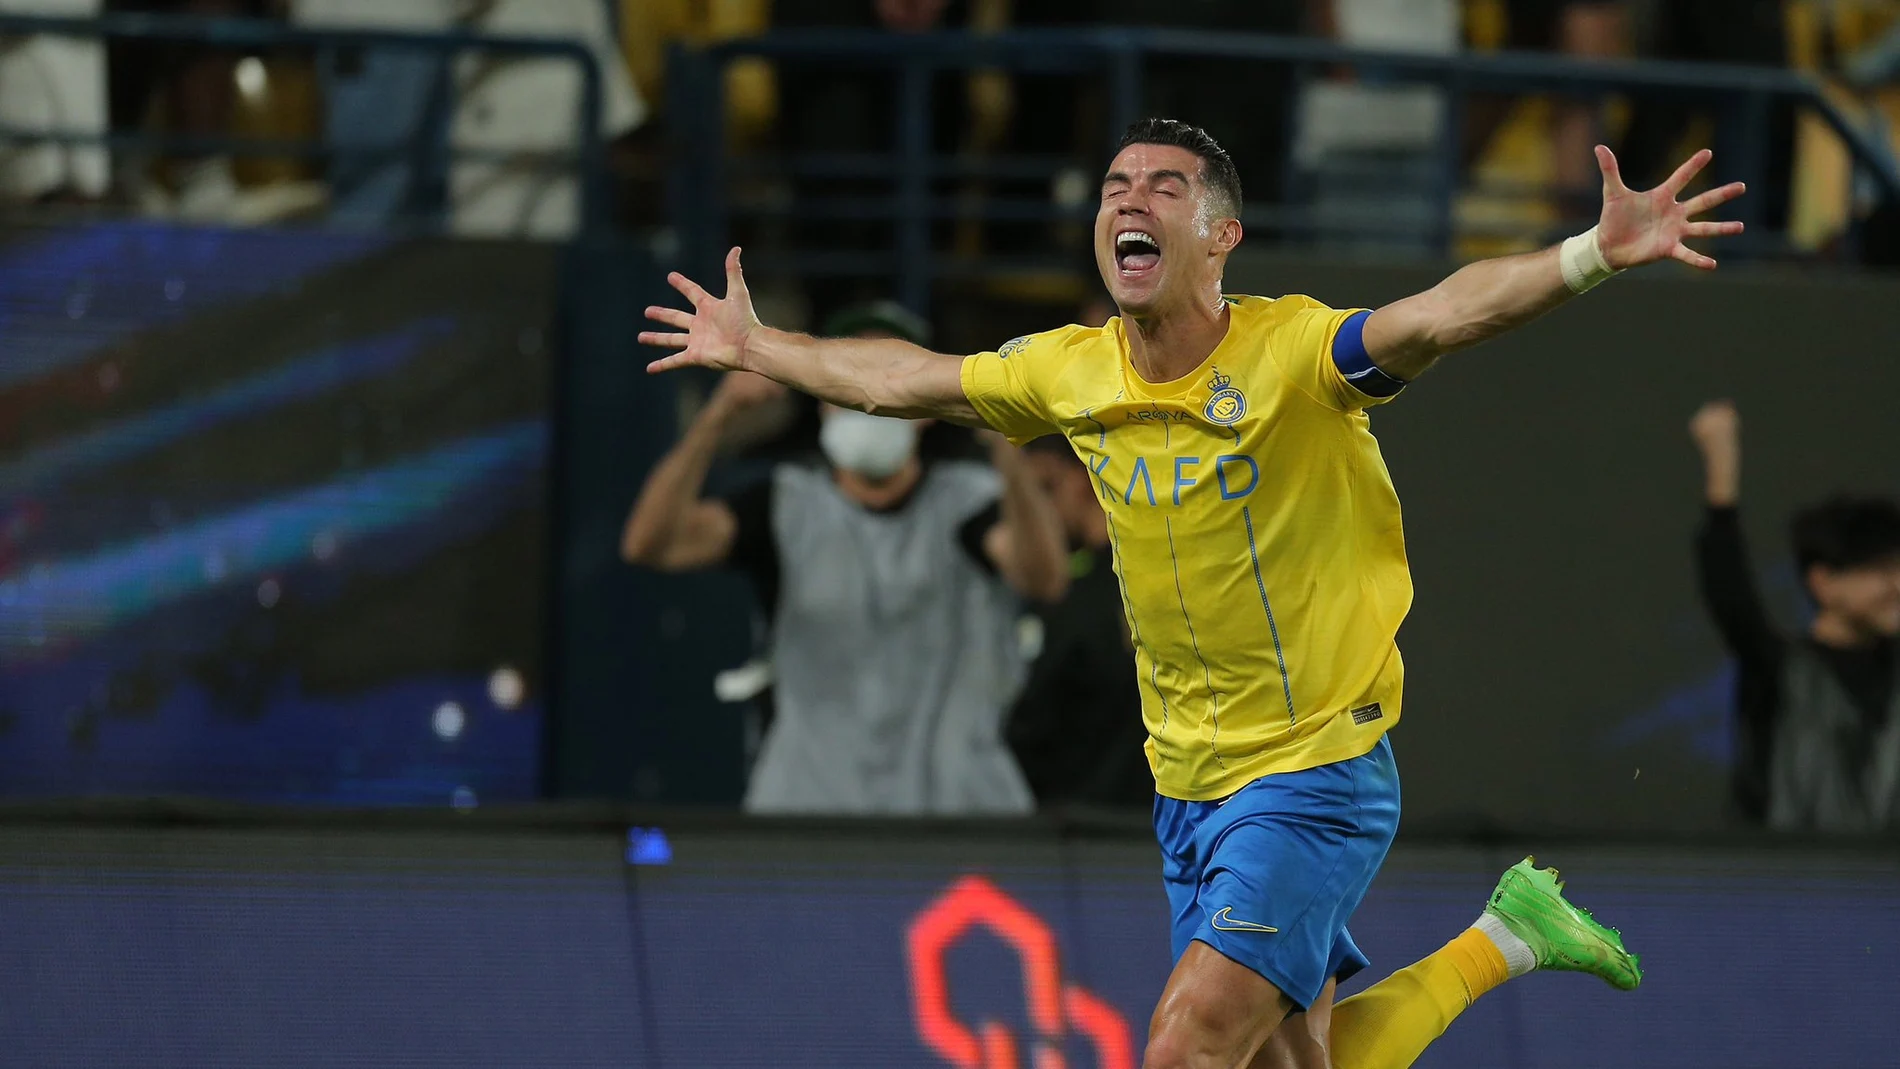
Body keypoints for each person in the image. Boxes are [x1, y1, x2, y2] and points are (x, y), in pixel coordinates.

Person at [642, 117, 1740, 1067]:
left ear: (1221, 236)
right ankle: (1507, 937)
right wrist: (758, 347)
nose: (1131, 200)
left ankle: (1504, 940)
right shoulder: (1069, 370)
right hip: (1188, 787)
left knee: (1182, 1045)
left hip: (1311, 769)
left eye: (1164, 187)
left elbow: (1439, 315)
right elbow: (904, 381)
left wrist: (1590, 253)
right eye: (1115, 185)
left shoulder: (1295, 355)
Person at [621, 308, 1070, 816]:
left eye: (892, 379)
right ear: (821, 399)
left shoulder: (972, 504)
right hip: (811, 817)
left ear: (927, 407)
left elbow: (1045, 578)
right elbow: (651, 544)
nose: (868, 401)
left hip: (953, 818)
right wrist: (717, 416)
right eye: (849, 379)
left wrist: (1007, 448)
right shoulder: (784, 506)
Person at [1688, 400, 1900, 832]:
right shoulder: (1779, 669)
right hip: (1788, 870)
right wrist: (1721, 471)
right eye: (1880, 571)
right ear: (1823, 582)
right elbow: (1731, 596)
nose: (1897, 586)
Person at [1006, 436, 1149, 809]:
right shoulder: (1054, 587)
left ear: (1089, 475)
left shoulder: (1118, 585)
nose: (1042, 507)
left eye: (1049, 487)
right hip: (1075, 812)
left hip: (1109, 811)